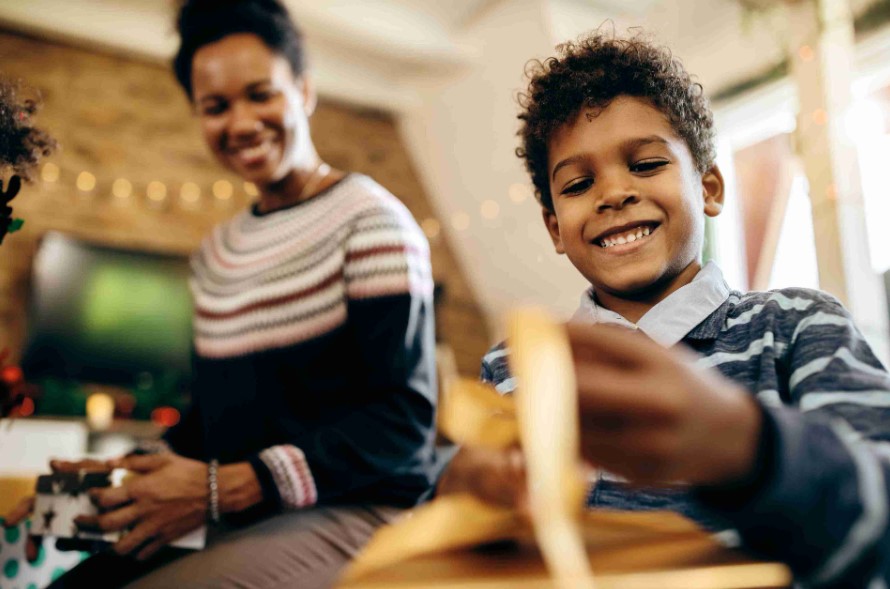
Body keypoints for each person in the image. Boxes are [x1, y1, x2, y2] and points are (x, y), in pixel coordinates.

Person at [4, 1, 444, 587]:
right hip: (243, 507)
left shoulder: (373, 223)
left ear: (305, 91)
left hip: (359, 510)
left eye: (260, 94)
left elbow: (402, 424)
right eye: (216, 107)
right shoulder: (217, 253)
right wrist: (112, 477)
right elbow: (215, 422)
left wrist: (226, 488)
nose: (239, 123)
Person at [438, 30, 890, 587]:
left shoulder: (796, 325)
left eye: (647, 164)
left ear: (709, 187)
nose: (613, 193)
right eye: (579, 183)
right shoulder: (509, 370)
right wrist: (464, 498)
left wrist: (748, 446)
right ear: (555, 228)